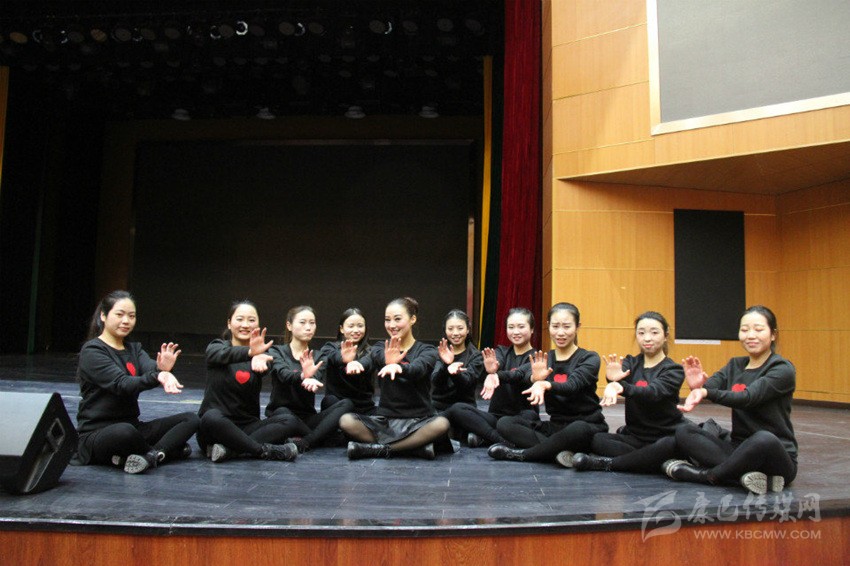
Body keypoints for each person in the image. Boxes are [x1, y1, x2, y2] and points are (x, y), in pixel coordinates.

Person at [663, 305, 797, 495]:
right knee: (685, 431)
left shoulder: (782, 369)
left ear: (773, 334)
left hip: (775, 456)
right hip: (738, 449)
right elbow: (710, 388)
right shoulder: (735, 364)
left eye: (758, 329)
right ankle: (747, 477)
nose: (750, 335)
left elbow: (748, 398)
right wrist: (698, 386)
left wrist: (706, 392)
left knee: (764, 438)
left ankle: (707, 476)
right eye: (744, 330)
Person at [74, 290, 199, 474]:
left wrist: (163, 369)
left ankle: (151, 455)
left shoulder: (134, 349)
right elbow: (122, 384)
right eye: (120, 314)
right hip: (99, 433)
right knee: (125, 432)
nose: (126, 321)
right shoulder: (92, 351)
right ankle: (164, 451)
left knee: (191, 419)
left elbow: (151, 370)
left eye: (131, 316)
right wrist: (158, 375)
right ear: (103, 315)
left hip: (134, 427)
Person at [565, 311, 687, 473]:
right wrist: (612, 380)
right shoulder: (630, 362)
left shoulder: (673, 369)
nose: (647, 338)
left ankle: (606, 464)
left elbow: (652, 392)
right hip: (636, 437)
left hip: (663, 436)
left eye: (654, 332)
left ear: (666, 335)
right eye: (641, 333)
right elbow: (618, 380)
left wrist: (621, 387)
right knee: (598, 439)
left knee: (668, 446)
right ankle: (648, 461)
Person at [488, 302, 607, 463]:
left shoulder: (589, 358)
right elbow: (519, 374)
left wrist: (545, 384)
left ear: (577, 327)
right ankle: (557, 452)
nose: (560, 332)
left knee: (579, 428)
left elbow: (572, 385)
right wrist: (495, 375)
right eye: (555, 326)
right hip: (555, 427)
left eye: (566, 327)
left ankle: (523, 454)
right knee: (505, 423)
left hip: (587, 425)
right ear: (548, 326)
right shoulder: (544, 359)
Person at [339, 297, 450, 459]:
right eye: (387, 320)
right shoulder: (380, 347)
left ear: (412, 319)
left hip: (419, 421)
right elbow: (368, 362)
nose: (392, 325)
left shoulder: (427, 350)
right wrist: (354, 363)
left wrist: (398, 367)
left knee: (441, 423)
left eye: (397, 319)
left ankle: (379, 449)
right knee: (346, 421)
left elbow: (418, 369)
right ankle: (413, 448)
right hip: (386, 422)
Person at [197, 300, 300, 463]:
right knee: (210, 417)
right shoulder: (217, 347)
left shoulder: (261, 356)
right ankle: (263, 451)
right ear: (229, 323)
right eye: (240, 319)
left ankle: (230, 451)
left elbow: (266, 364)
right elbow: (219, 354)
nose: (245, 325)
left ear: (258, 324)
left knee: (289, 419)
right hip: (216, 428)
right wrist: (250, 352)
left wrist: (261, 360)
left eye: (251, 320)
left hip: (247, 427)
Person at [265, 306, 354, 453]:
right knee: (284, 413)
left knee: (346, 404)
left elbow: (315, 377)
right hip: (281, 416)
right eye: (302, 322)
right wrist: (302, 376)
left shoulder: (319, 356)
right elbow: (283, 374)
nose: (308, 327)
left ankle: (306, 441)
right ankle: (320, 437)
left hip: (306, 419)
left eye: (312, 323)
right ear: (289, 325)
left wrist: (310, 377)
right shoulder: (276, 351)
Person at [443, 307, 536, 447]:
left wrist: (496, 375)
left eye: (521, 327)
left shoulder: (536, 358)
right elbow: (496, 363)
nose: (515, 332)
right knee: (457, 409)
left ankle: (484, 436)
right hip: (496, 417)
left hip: (523, 417)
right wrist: (492, 370)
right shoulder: (501, 351)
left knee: (522, 419)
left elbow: (518, 374)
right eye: (511, 327)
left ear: (532, 329)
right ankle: (499, 439)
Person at [319, 307, 377, 416]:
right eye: (351, 326)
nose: (356, 330)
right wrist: (344, 359)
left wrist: (357, 364)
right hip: (337, 405)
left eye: (360, 326)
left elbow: (368, 361)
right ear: (341, 329)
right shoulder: (329, 347)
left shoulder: (372, 351)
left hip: (363, 408)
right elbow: (333, 356)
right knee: (331, 401)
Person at [431, 309, 484, 413]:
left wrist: (455, 373)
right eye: (450, 329)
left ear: (468, 330)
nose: (455, 333)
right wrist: (446, 365)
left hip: (464, 408)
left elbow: (466, 384)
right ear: (445, 330)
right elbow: (435, 381)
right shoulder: (439, 352)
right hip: (438, 407)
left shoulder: (476, 356)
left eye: (460, 328)